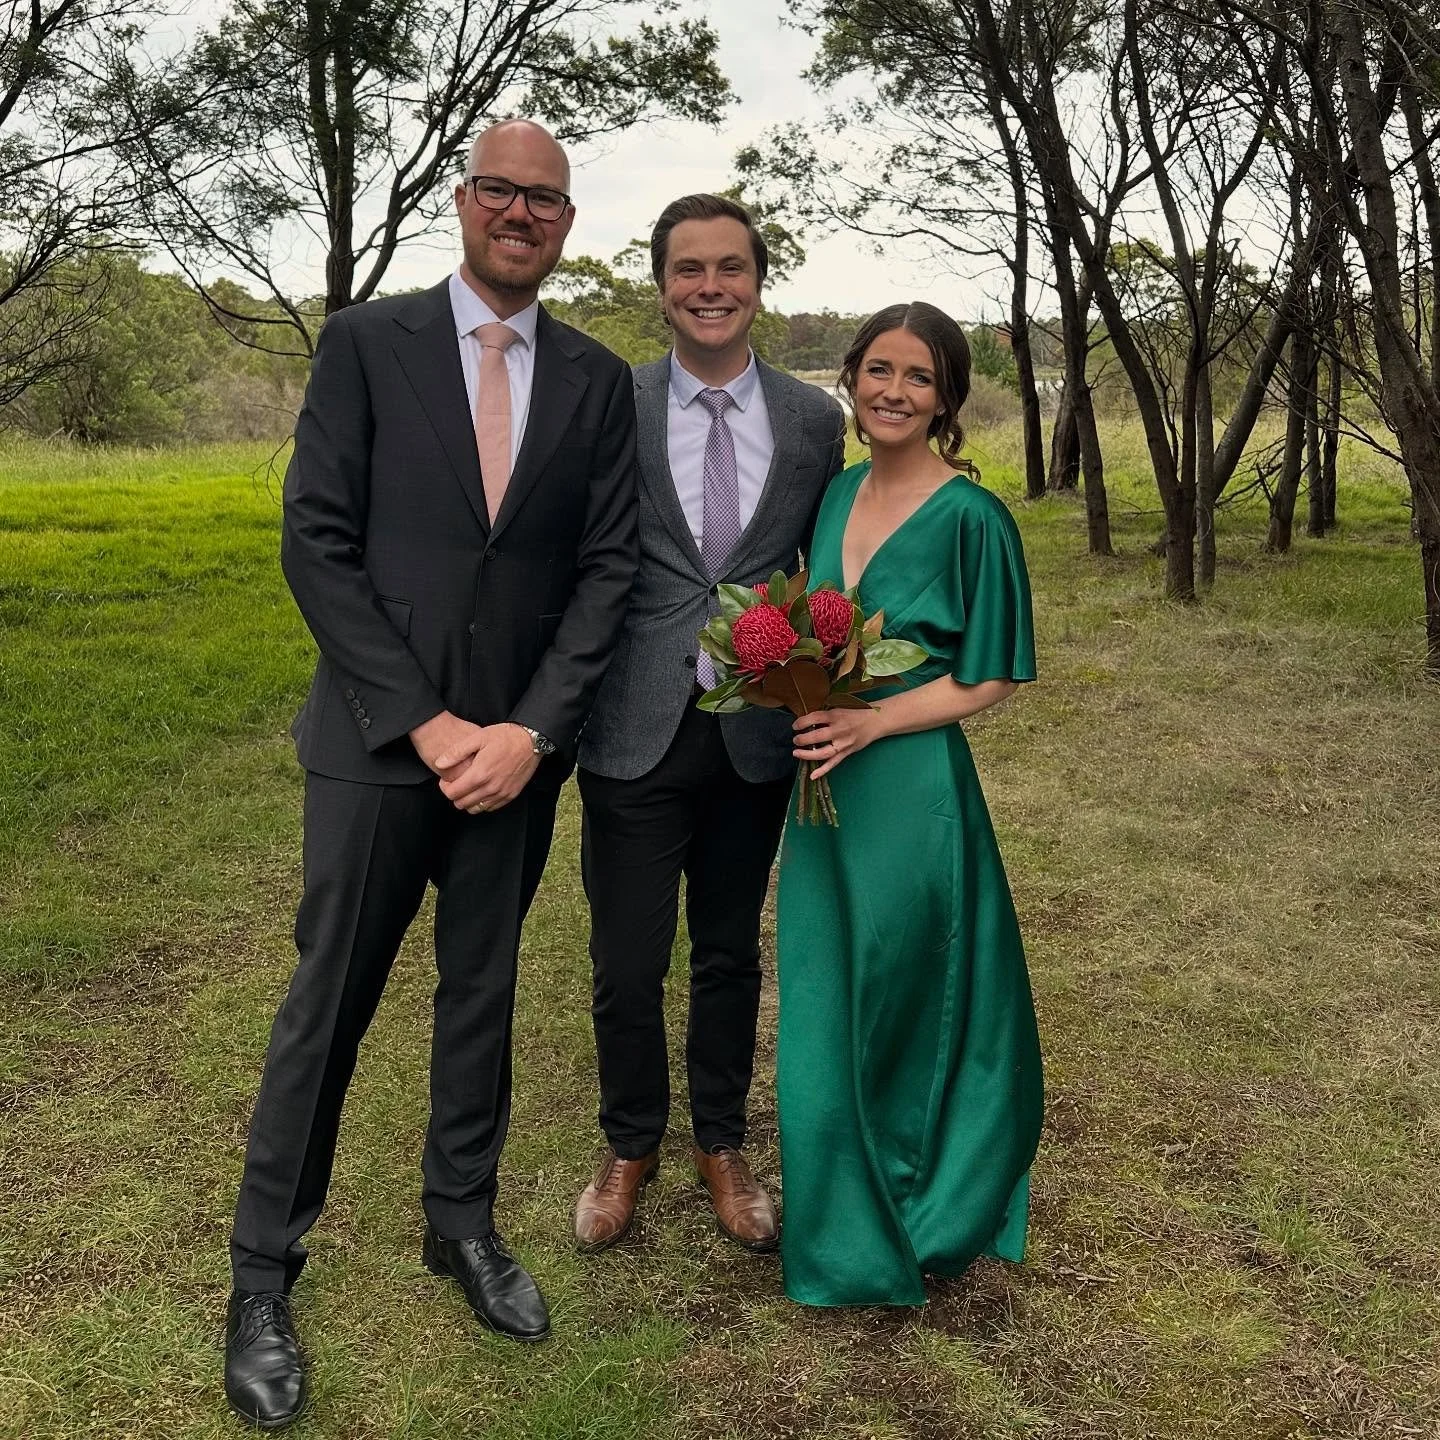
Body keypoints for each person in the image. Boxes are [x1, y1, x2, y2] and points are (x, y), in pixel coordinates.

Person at [223, 120, 638, 1428]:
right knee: (327, 1004)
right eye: (502, 191)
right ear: (466, 203)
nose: (522, 213)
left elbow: (609, 572)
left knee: (482, 997)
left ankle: (459, 1225)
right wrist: (427, 724)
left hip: (516, 763)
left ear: (567, 224)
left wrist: (527, 732)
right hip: (373, 752)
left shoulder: (597, 381)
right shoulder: (366, 345)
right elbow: (316, 542)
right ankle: (261, 1274)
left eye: (546, 199)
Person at [572, 195, 846, 1255]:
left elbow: (832, 560)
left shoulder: (814, 420)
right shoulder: (613, 403)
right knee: (627, 961)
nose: (711, 286)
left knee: (730, 952)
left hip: (754, 729)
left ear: (759, 280)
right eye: (689, 268)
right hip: (632, 721)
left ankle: (722, 1142)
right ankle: (628, 1141)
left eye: (730, 266)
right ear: (661, 285)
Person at [777, 301, 1043, 1306]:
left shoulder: (974, 517)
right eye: (878, 369)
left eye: (918, 377)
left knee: (903, 993)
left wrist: (873, 724)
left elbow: (994, 677)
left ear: (948, 399)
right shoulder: (836, 496)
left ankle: (917, 1205)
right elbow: (812, 627)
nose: (893, 391)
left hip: (909, 781)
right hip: (820, 775)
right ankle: (836, 1211)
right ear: (851, 378)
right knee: (821, 990)